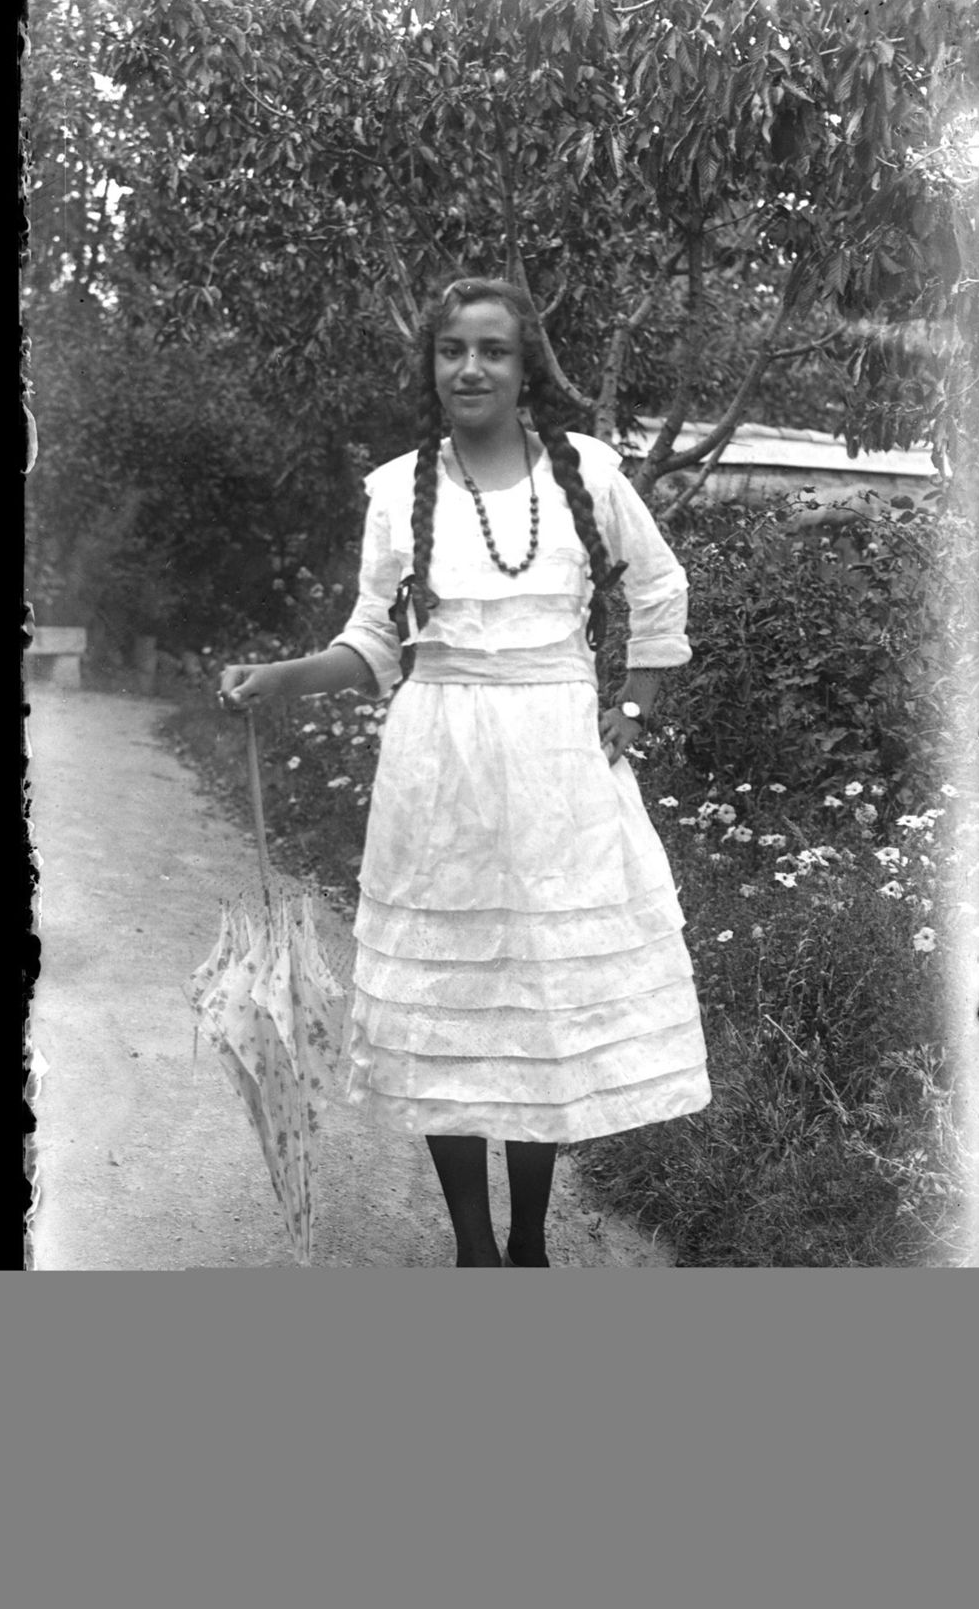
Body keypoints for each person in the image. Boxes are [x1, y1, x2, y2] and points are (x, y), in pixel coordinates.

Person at [219, 276, 711, 1266]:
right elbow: (370, 645)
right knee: (450, 1014)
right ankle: (473, 1247)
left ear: (525, 368)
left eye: (493, 350)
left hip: (555, 769)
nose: (472, 368)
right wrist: (279, 677)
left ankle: (527, 1238)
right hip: (437, 766)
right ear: (431, 367)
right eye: (454, 351)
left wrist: (630, 706)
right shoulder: (399, 490)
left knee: (533, 1007)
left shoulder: (587, 472)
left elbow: (659, 586)